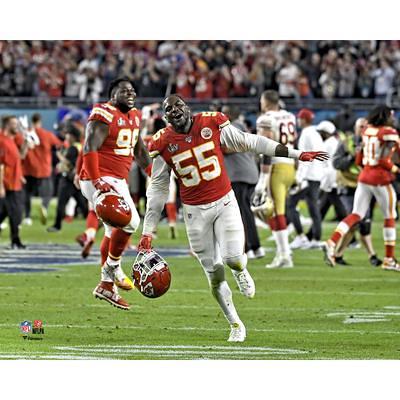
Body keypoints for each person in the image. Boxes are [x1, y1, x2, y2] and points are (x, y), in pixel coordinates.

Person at [137, 94, 327, 342]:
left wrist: (296, 154)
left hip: (224, 201)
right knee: (214, 275)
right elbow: (158, 189)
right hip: (195, 213)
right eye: (169, 109)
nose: (175, 111)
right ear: (164, 117)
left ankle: (240, 270)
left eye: (179, 105)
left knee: (233, 259)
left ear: (188, 108)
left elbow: (250, 141)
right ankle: (236, 324)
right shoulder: (162, 142)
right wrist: (147, 232)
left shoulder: (211, 122)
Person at [79, 77, 152, 310]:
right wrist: (96, 178)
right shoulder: (104, 113)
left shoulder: (135, 116)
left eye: (132, 91)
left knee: (113, 231)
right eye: (124, 91)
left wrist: (153, 173)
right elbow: (89, 146)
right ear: (112, 94)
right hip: (99, 178)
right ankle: (112, 267)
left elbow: (139, 150)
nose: (130, 94)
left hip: (117, 180)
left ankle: (106, 284)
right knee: (131, 221)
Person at [323, 105, 400, 271]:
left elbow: (359, 160)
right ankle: (389, 259)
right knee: (390, 216)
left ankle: (332, 241)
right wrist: (395, 169)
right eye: (391, 116)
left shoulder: (367, 131)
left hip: (364, 176)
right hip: (380, 178)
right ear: (385, 116)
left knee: (356, 214)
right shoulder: (389, 133)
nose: (393, 119)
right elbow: (386, 160)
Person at [254, 90, 297, 268]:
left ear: (265, 102)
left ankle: (285, 255)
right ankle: (282, 252)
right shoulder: (290, 116)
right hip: (290, 166)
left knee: (274, 211)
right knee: (275, 210)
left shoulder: (266, 118)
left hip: (276, 168)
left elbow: (267, 148)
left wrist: (263, 177)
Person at [332, 117, 381, 266]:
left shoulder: (373, 143)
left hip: (366, 186)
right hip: (347, 187)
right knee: (356, 220)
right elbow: (336, 163)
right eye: (360, 127)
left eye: (366, 126)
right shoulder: (346, 143)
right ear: (355, 128)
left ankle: (337, 254)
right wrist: (352, 157)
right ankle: (371, 255)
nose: (363, 129)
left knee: (363, 222)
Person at [222, 104, 263, 259]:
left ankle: (246, 248)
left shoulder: (230, 128)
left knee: (239, 213)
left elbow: (225, 148)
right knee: (246, 211)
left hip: (239, 174)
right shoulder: (243, 127)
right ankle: (256, 246)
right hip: (249, 172)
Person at [287, 107, 325, 250]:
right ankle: (315, 239)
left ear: (303, 119)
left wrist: (299, 178)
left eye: (299, 118)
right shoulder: (316, 134)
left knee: (290, 205)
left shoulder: (306, 134)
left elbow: (305, 158)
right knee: (314, 208)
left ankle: (300, 236)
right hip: (316, 176)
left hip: (307, 176)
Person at [23, 113, 63, 225]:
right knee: (47, 193)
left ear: (32, 121)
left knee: (28, 194)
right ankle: (44, 207)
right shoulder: (47, 134)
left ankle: (27, 216)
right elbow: (60, 145)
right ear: (40, 122)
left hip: (28, 169)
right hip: (44, 169)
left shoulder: (26, 134)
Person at [47, 123, 88, 232]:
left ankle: (57, 225)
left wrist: (59, 156)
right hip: (76, 179)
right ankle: (94, 223)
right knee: (83, 204)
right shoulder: (79, 146)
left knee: (62, 203)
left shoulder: (73, 148)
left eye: (68, 135)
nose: (66, 137)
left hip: (68, 180)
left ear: (73, 136)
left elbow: (69, 164)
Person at [0, 115, 29, 249]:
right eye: (14, 124)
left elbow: (20, 156)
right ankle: (15, 240)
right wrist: (1, 186)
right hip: (7, 184)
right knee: (14, 212)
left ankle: (15, 240)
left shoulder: (11, 140)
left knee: (10, 212)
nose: (16, 126)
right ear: (6, 125)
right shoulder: (2, 141)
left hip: (15, 182)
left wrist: (26, 143)